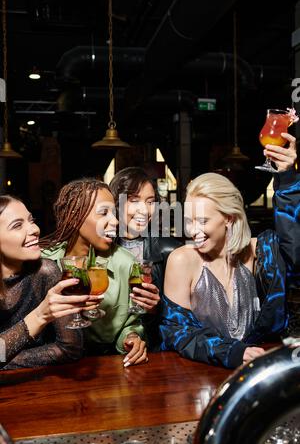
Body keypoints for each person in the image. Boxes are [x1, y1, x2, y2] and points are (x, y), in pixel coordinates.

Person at [160, 134, 300, 368]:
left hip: (259, 372)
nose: (193, 231)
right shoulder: (182, 259)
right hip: (199, 377)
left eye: (202, 221)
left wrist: (288, 180)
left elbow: (295, 251)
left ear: (229, 218)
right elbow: (176, 332)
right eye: (189, 221)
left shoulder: (261, 252)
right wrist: (232, 352)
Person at [40, 178, 148, 367]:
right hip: (51, 368)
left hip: (104, 368)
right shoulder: (43, 262)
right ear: (75, 216)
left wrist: (131, 338)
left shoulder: (125, 263)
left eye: (114, 213)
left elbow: (131, 322)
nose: (115, 221)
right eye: (104, 213)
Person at [0, 195, 100, 370]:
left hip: (41, 386)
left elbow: (71, 349)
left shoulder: (45, 272)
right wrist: (40, 315)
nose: (34, 229)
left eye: (31, 220)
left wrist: (5, 362)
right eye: (17, 225)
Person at [109, 167, 182, 349]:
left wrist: (156, 309)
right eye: (134, 200)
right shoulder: (101, 249)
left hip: (154, 350)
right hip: (105, 353)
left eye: (150, 202)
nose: (144, 210)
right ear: (116, 204)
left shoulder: (170, 250)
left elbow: (186, 318)